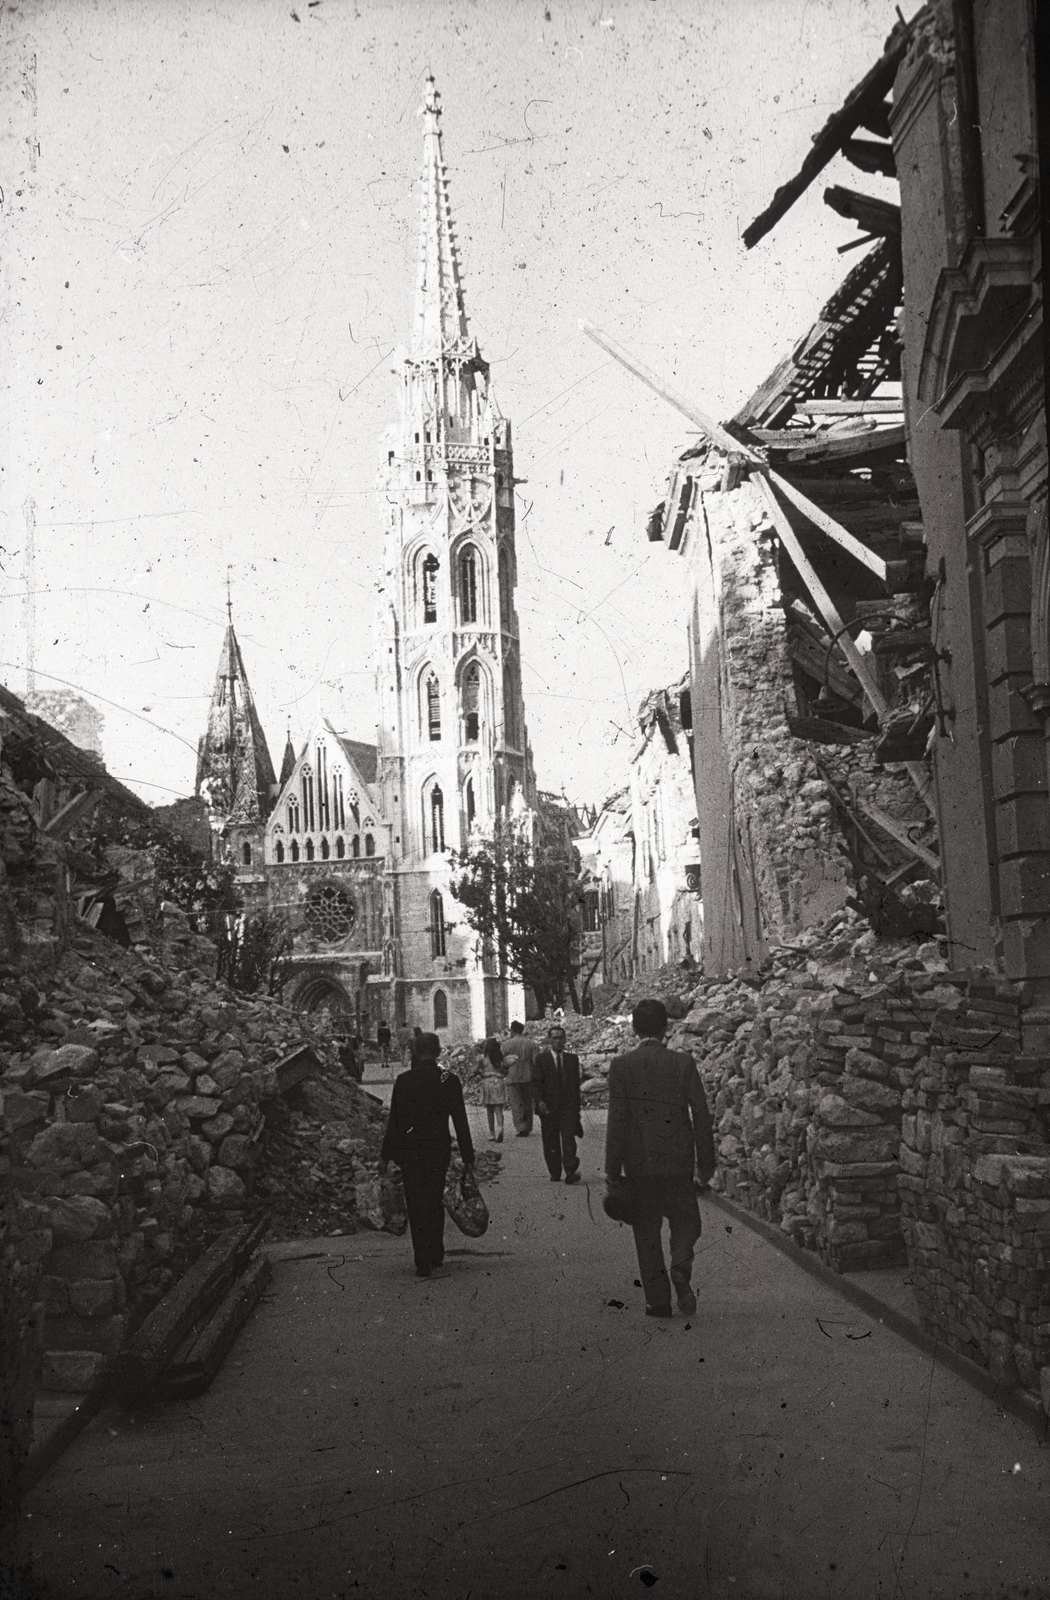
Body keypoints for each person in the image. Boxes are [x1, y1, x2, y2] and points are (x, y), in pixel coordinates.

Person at [605, 998, 716, 1319]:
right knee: (686, 1221)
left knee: (646, 1233)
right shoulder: (683, 1063)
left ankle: (658, 1303)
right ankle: (680, 1261)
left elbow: (617, 1121)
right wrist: (705, 1163)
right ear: (666, 1027)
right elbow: (701, 1113)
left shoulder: (622, 1066)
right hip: (678, 1162)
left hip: (639, 1165)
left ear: (634, 1028)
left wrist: (612, 1170)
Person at [378, 1032, 475, 1278]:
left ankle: (422, 1259)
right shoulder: (449, 1080)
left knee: (416, 1203)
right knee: (434, 1199)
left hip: (411, 1153)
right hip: (438, 1151)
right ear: (439, 1052)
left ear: (415, 1052)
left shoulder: (404, 1081)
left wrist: (385, 1156)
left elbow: (395, 1123)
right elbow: (461, 1122)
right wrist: (468, 1156)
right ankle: (435, 1252)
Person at [532, 1024, 582, 1184]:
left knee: (569, 1139)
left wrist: (577, 1109)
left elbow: (575, 1086)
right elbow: (536, 1083)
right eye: (555, 1038)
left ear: (565, 1039)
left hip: (568, 1107)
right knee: (550, 1141)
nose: (558, 1041)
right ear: (549, 1040)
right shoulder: (541, 1059)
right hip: (548, 1107)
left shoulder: (572, 1059)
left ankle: (570, 1171)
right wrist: (539, 1101)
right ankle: (555, 1172)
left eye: (561, 1038)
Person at [502, 1020, 538, 1136]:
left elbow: (501, 1060)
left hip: (512, 1077)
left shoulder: (507, 1044)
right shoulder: (532, 1044)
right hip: (528, 1077)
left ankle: (521, 1127)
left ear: (512, 1030)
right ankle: (528, 1127)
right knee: (528, 1102)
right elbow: (536, 1061)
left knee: (516, 1103)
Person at [479, 1036, 507, 1142]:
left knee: (489, 1109)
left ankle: (492, 1133)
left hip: (488, 1083)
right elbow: (505, 1072)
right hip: (499, 1082)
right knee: (498, 1108)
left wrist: (484, 1073)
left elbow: (477, 1071)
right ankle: (500, 1127)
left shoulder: (483, 1058)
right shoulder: (501, 1059)